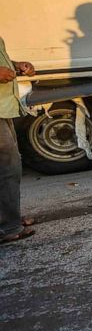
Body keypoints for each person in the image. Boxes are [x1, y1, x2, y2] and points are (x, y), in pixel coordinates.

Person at [0, 36, 36, 243]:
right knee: (7, 167)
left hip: (3, 108)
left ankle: (8, 217)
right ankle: (8, 226)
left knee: (8, 167)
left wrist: (16, 65)